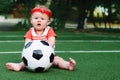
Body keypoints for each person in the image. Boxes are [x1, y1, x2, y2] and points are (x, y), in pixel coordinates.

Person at [6, 6, 76, 72]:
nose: (39, 20)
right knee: (25, 61)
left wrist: (45, 48)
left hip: (49, 56)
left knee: (58, 61)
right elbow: (27, 43)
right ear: (31, 20)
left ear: (48, 22)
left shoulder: (49, 30)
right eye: (36, 18)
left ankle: (68, 65)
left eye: (42, 19)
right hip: (32, 55)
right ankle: (19, 66)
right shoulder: (30, 31)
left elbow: (52, 41)